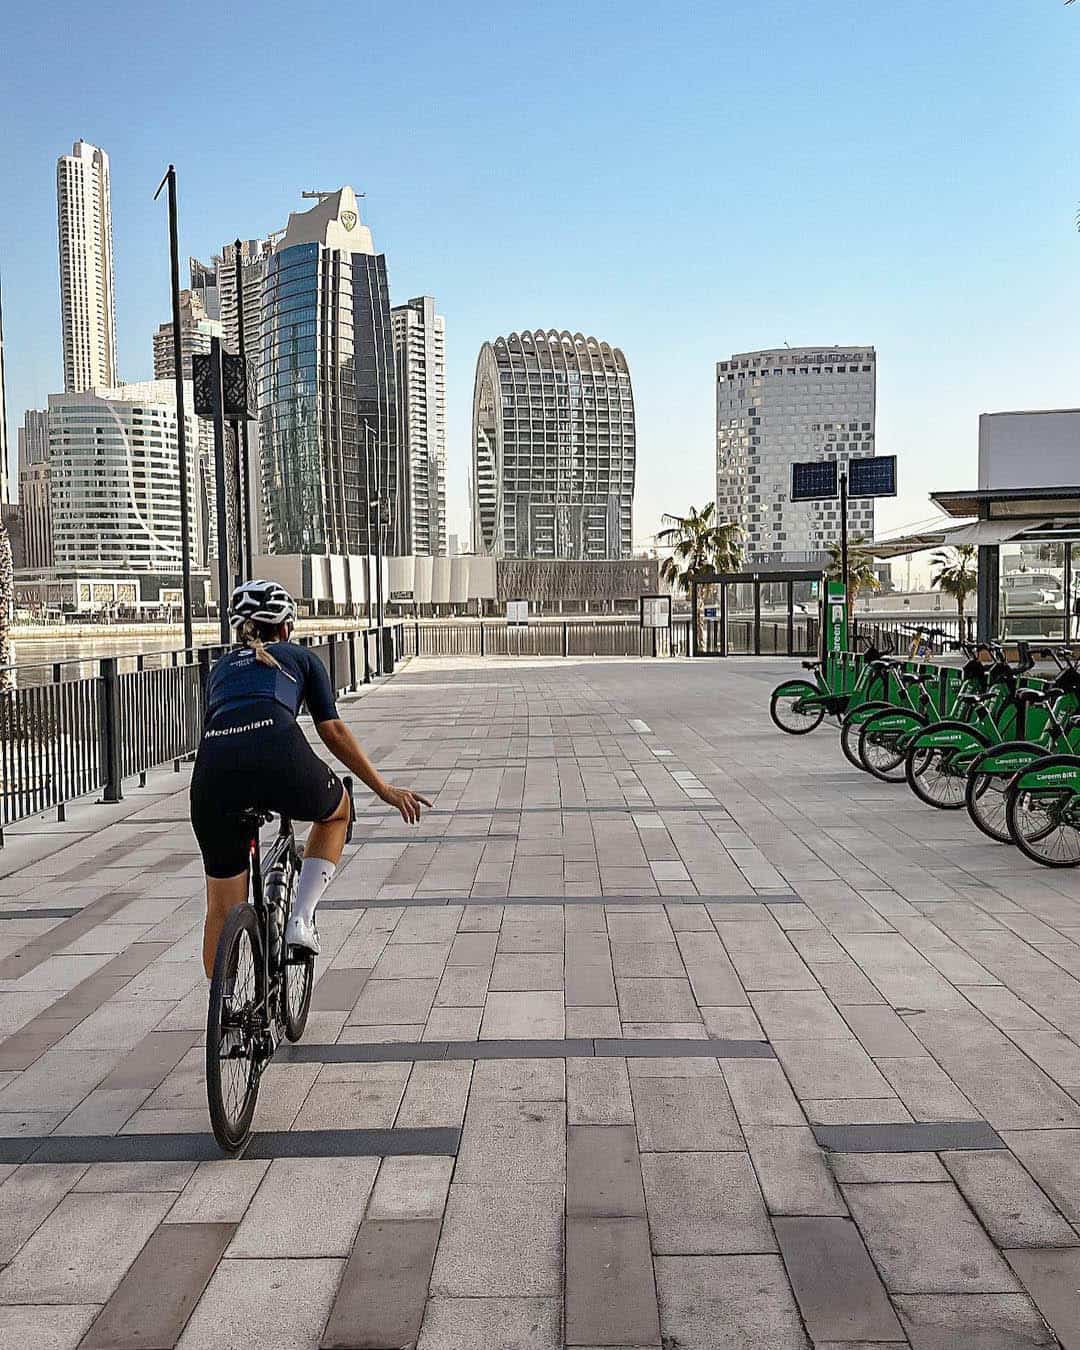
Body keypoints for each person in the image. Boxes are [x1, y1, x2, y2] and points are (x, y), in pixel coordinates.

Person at [189, 579, 430, 977]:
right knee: (337, 812)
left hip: (214, 770)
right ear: (286, 627)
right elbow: (331, 731)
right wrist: (384, 789)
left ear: (238, 629)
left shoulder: (220, 669)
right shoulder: (299, 657)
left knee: (220, 908)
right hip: (277, 752)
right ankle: (301, 919)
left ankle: (225, 1012)